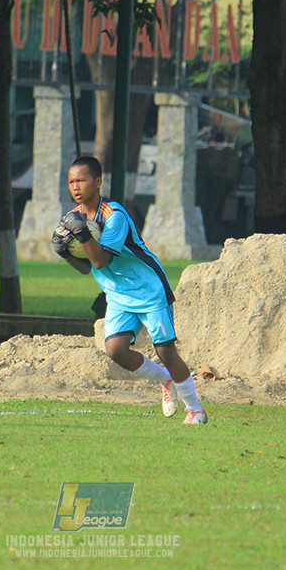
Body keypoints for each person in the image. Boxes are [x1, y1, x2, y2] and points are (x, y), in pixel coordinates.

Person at [52, 156, 207, 424]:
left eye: (81, 180)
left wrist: (82, 235)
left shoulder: (115, 216)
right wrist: (65, 253)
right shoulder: (74, 218)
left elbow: (101, 260)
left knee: (166, 351)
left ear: (98, 182)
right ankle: (164, 378)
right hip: (119, 295)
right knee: (115, 349)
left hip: (149, 291)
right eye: (71, 182)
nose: (75, 187)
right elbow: (86, 268)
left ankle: (195, 410)